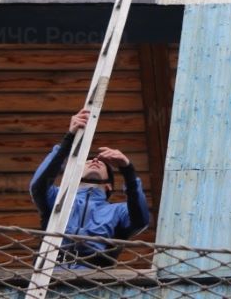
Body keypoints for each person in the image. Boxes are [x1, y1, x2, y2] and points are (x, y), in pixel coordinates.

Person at [30, 108, 150, 267]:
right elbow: (38, 185)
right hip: (50, 274)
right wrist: (69, 139)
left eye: (102, 165)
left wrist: (127, 169)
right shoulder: (58, 197)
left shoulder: (118, 211)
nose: (94, 160)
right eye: (87, 162)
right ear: (75, 177)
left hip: (94, 281)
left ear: (108, 186)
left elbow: (140, 220)